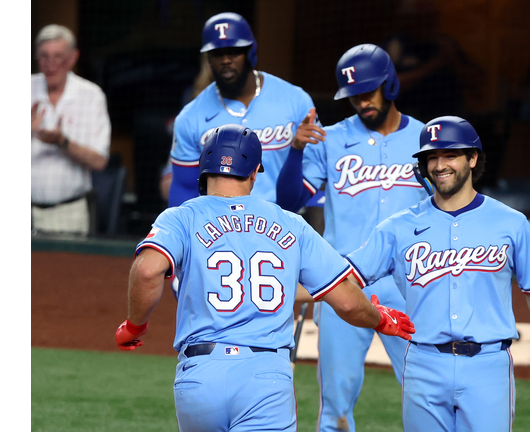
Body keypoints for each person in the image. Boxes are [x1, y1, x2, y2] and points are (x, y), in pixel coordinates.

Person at [114, 124, 414, 432]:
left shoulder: (180, 217)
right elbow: (347, 301)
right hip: (265, 377)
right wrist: (379, 318)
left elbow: (148, 270)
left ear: (204, 167)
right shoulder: (290, 223)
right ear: (254, 172)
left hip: (200, 374)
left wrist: (134, 326)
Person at [346, 115, 530, 431]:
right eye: (431, 157)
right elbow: (343, 280)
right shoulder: (397, 227)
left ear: (472, 159)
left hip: (488, 366)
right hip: (423, 364)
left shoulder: (510, 223)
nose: (439, 164)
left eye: (450, 155)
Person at [275, 43, 427, 432]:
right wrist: (294, 152)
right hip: (343, 282)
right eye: (354, 95)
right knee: (335, 407)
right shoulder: (331, 139)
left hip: (411, 284)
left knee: (428, 392)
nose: (362, 102)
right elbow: (289, 201)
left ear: (389, 84)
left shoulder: (427, 140)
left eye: (368, 91)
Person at [167, 12, 316, 207]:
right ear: (209, 60)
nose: (226, 60)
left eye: (234, 51)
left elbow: (315, 171)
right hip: (219, 227)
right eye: (218, 54)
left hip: (283, 222)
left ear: (250, 53)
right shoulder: (190, 116)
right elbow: (184, 187)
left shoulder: (296, 101)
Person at [31, 24, 111, 236]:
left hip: (68, 212)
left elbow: (99, 161)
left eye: (58, 57)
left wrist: (62, 143)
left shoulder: (92, 96)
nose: (50, 64)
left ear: (72, 58)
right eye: (44, 57)